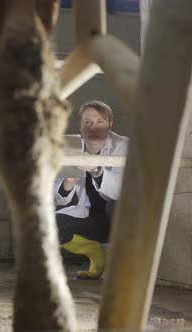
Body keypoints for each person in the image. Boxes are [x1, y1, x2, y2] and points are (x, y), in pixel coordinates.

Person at [54, 100, 128, 279]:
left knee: (117, 205)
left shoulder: (123, 145)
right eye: (87, 122)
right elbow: (59, 198)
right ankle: (96, 253)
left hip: (117, 217)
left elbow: (121, 191)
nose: (93, 128)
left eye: (100, 122)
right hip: (90, 217)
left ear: (110, 124)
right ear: (80, 126)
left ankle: (115, 258)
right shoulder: (71, 147)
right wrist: (68, 182)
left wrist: (95, 169)